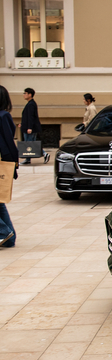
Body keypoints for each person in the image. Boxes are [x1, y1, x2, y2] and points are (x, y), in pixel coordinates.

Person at [0, 85, 18, 247]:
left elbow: (8, 142)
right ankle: (8, 237)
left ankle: (4, 232)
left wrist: (13, 165)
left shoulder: (3, 116)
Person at [19, 88, 49, 165]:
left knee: (30, 143)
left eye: (25, 93)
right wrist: (22, 124)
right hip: (28, 127)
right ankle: (28, 159)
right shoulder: (30, 104)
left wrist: (29, 127)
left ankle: (44, 154)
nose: (24, 95)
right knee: (31, 143)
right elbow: (27, 117)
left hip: (30, 128)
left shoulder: (31, 104)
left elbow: (31, 117)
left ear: (30, 94)